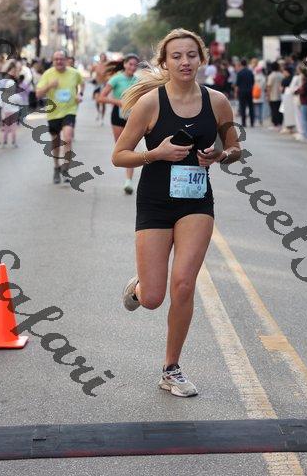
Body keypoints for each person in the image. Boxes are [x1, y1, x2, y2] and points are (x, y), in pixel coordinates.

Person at [112, 28, 241, 397]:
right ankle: (138, 288)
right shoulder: (150, 104)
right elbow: (119, 155)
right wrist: (156, 153)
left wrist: (219, 155)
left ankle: (171, 369)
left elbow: (235, 149)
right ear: (165, 62)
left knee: (183, 284)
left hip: (196, 201)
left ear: (202, 59)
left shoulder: (217, 102)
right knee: (154, 297)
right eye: (177, 56)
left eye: (191, 55)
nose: (185, 62)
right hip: (155, 201)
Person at [36, 50, 85, 184]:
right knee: (55, 142)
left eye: (61, 59)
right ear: (53, 61)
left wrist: (80, 94)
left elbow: (82, 84)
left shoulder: (74, 73)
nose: (59, 61)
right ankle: (56, 167)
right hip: (53, 113)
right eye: (56, 59)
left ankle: (65, 169)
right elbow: (38, 94)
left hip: (70, 110)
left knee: (68, 139)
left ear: (66, 60)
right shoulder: (48, 74)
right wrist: (49, 85)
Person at [98, 54, 139, 194]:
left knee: (130, 148)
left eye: (135, 65)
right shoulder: (116, 79)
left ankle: (128, 181)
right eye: (130, 64)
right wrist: (119, 102)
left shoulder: (138, 81)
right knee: (121, 148)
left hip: (133, 115)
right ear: (125, 64)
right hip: (118, 114)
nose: (132, 67)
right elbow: (101, 98)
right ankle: (126, 169)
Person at [0, 60, 22, 148]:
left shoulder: (4, 95)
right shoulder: (16, 96)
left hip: (6, 111)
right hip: (14, 111)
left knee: (6, 128)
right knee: (13, 128)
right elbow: (20, 102)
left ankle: (4, 142)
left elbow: (2, 103)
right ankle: (14, 142)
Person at [235, 58, 254, 127]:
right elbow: (253, 82)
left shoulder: (239, 73)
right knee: (251, 107)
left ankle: (244, 122)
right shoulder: (250, 72)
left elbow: (237, 84)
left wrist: (236, 93)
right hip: (249, 91)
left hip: (242, 91)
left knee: (243, 107)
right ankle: (252, 122)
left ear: (241, 64)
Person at [91, 53, 109, 124]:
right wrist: (92, 77)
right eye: (101, 57)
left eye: (104, 57)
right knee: (97, 100)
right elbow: (91, 70)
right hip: (97, 85)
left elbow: (110, 74)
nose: (102, 58)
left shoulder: (107, 66)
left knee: (103, 102)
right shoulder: (96, 65)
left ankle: (102, 118)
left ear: (105, 58)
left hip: (104, 85)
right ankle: (98, 112)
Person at [267, 61, 283, 129]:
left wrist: (268, 95)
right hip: (280, 95)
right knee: (280, 110)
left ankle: (275, 123)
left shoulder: (271, 76)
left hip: (273, 95)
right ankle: (280, 123)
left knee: (274, 110)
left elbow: (269, 86)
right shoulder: (281, 75)